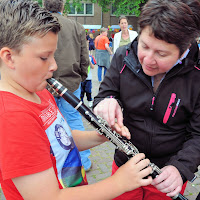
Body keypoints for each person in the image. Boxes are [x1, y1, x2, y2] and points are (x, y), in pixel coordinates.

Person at [0, 1, 153, 199]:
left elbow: (61, 139)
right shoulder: (13, 118)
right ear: (9, 57)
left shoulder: (38, 91)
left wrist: (102, 136)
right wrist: (118, 183)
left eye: (53, 55)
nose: (54, 65)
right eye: (44, 58)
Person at [93, 0, 200, 199]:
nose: (148, 60)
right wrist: (106, 102)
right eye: (144, 46)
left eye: (161, 53)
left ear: (184, 50)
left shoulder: (196, 75)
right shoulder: (123, 55)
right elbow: (104, 94)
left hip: (166, 174)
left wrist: (180, 168)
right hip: (126, 166)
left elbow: (198, 134)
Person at [43, 0, 92, 171]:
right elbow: (84, 56)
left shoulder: (38, 24)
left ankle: (53, 162)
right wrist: (82, 77)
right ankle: (84, 162)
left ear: (44, 5)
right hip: (71, 81)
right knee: (73, 120)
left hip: (45, 83)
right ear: (62, 6)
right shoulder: (76, 26)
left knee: (48, 124)